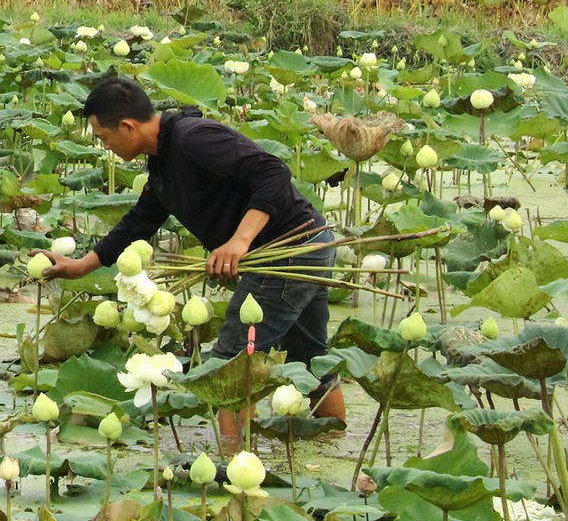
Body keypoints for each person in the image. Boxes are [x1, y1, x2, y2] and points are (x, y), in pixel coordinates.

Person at [35, 77, 344, 453]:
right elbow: (141, 220)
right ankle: (333, 447)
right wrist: (82, 266)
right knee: (312, 357)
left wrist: (240, 241)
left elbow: (273, 173)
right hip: (311, 242)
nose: (105, 146)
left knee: (230, 364)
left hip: (287, 251)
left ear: (128, 127)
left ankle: (235, 467)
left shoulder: (193, 138)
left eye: (104, 137)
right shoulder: (163, 161)